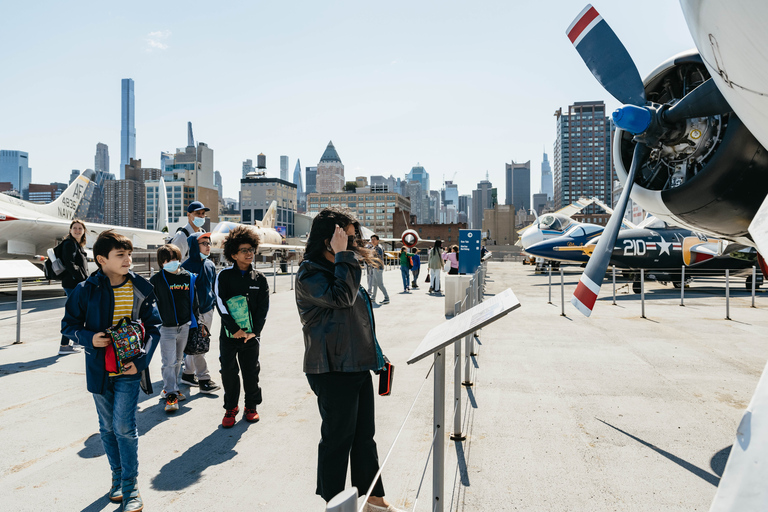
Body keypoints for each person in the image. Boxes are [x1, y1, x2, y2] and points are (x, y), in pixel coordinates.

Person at [295, 207, 404, 512]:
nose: (354, 243)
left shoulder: (342, 267)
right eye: (347, 236)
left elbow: (360, 318)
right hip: (330, 367)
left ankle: (374, 499)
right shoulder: (310, 273)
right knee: (338, 438)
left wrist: (376, 354)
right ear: (328, 238)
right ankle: (334, 503)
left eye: (354, 237)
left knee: (364, 438)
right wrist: (345, 257)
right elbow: (342, 299)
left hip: (356, 364)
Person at [61, 230, 161, 512]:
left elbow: (154, 328)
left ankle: (131, 487)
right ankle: (117, 478)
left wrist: (142, 362)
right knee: (106, 428)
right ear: (102, 259)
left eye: (129, 254)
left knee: (124, 427)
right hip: (99, 370)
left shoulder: (141, 288)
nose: (128, 259)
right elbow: (68, 325)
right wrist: (88, 338)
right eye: (121, 255)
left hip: (130, 370)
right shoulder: (84, 290)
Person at [214, 226, 270, 428]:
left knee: (251, 372)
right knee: (228, 372)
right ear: (233, 254)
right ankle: (231, 408)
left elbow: (264, 308)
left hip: (251, 337)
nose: (249, 254)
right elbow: (220, 303)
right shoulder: (224, 276)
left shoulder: (260, 279)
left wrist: (256, 331)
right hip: (230, 336)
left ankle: (251, 407)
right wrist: (234, 329)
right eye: (244, 250)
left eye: (251, 249)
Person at [149, 244, 199, 413]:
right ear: (161, 262)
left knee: (178, 360)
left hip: (184, 326)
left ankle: (171, 388)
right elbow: (149, 304)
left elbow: (194, 301)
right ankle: (171, 394)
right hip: (166, 328)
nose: (172, 262)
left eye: (175, 258)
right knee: (168, 362)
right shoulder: (156, 280)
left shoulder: (188, 277)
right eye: (168, 260)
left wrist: (197, 323)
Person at [180, 232, 221, 394]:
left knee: (195, 344)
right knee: (199, 345)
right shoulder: (186, 267)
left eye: (209, 242)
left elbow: (213, 288)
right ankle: (204, 379)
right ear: (194, 246)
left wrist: (214, 305)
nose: (208, 245)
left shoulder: (210, 264)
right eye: (204, 243)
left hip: (208, 310)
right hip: (194, 314)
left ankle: (188, 375)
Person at [58, 219, 89, 355]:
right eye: (75, 228)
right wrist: (82, 279)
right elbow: (70, 264)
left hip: (75, 284)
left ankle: (75, 341)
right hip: (73, 284)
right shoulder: (69, 244)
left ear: (83, 231)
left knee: (77, 313)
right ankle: (64, 345)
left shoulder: (77, 245)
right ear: (70, 230)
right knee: (72, 314)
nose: (77, 230)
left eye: (80, 228)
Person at [368, 235, 390, 304]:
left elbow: (378, 259)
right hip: (375, 267)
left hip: (378, 268)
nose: (373, 241)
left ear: (378, 240)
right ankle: (373, 297)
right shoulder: (374, 248)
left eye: (374, 239)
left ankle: (386, 298)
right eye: (372, 239)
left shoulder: (378, 248)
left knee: (380, 284)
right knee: (374, 284)